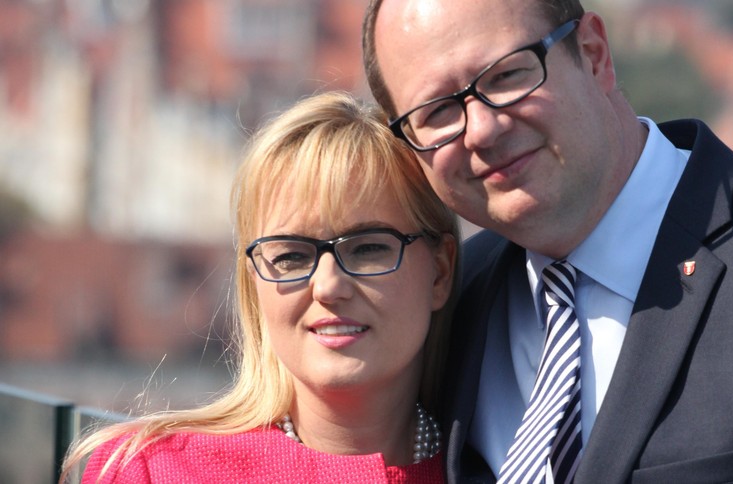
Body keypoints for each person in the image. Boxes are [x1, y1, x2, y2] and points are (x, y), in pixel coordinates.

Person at [362, 0, 733, 482]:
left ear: (594, 54)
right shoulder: (445, 305)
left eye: (506, 75)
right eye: (437, 112)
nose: (482, 130)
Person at [61, 91, 459, 483]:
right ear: (254, 283)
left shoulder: (492, 466)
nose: (328, 286)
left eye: (368, 248)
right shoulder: (154, 471)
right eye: (291, 255)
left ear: (440, 272)